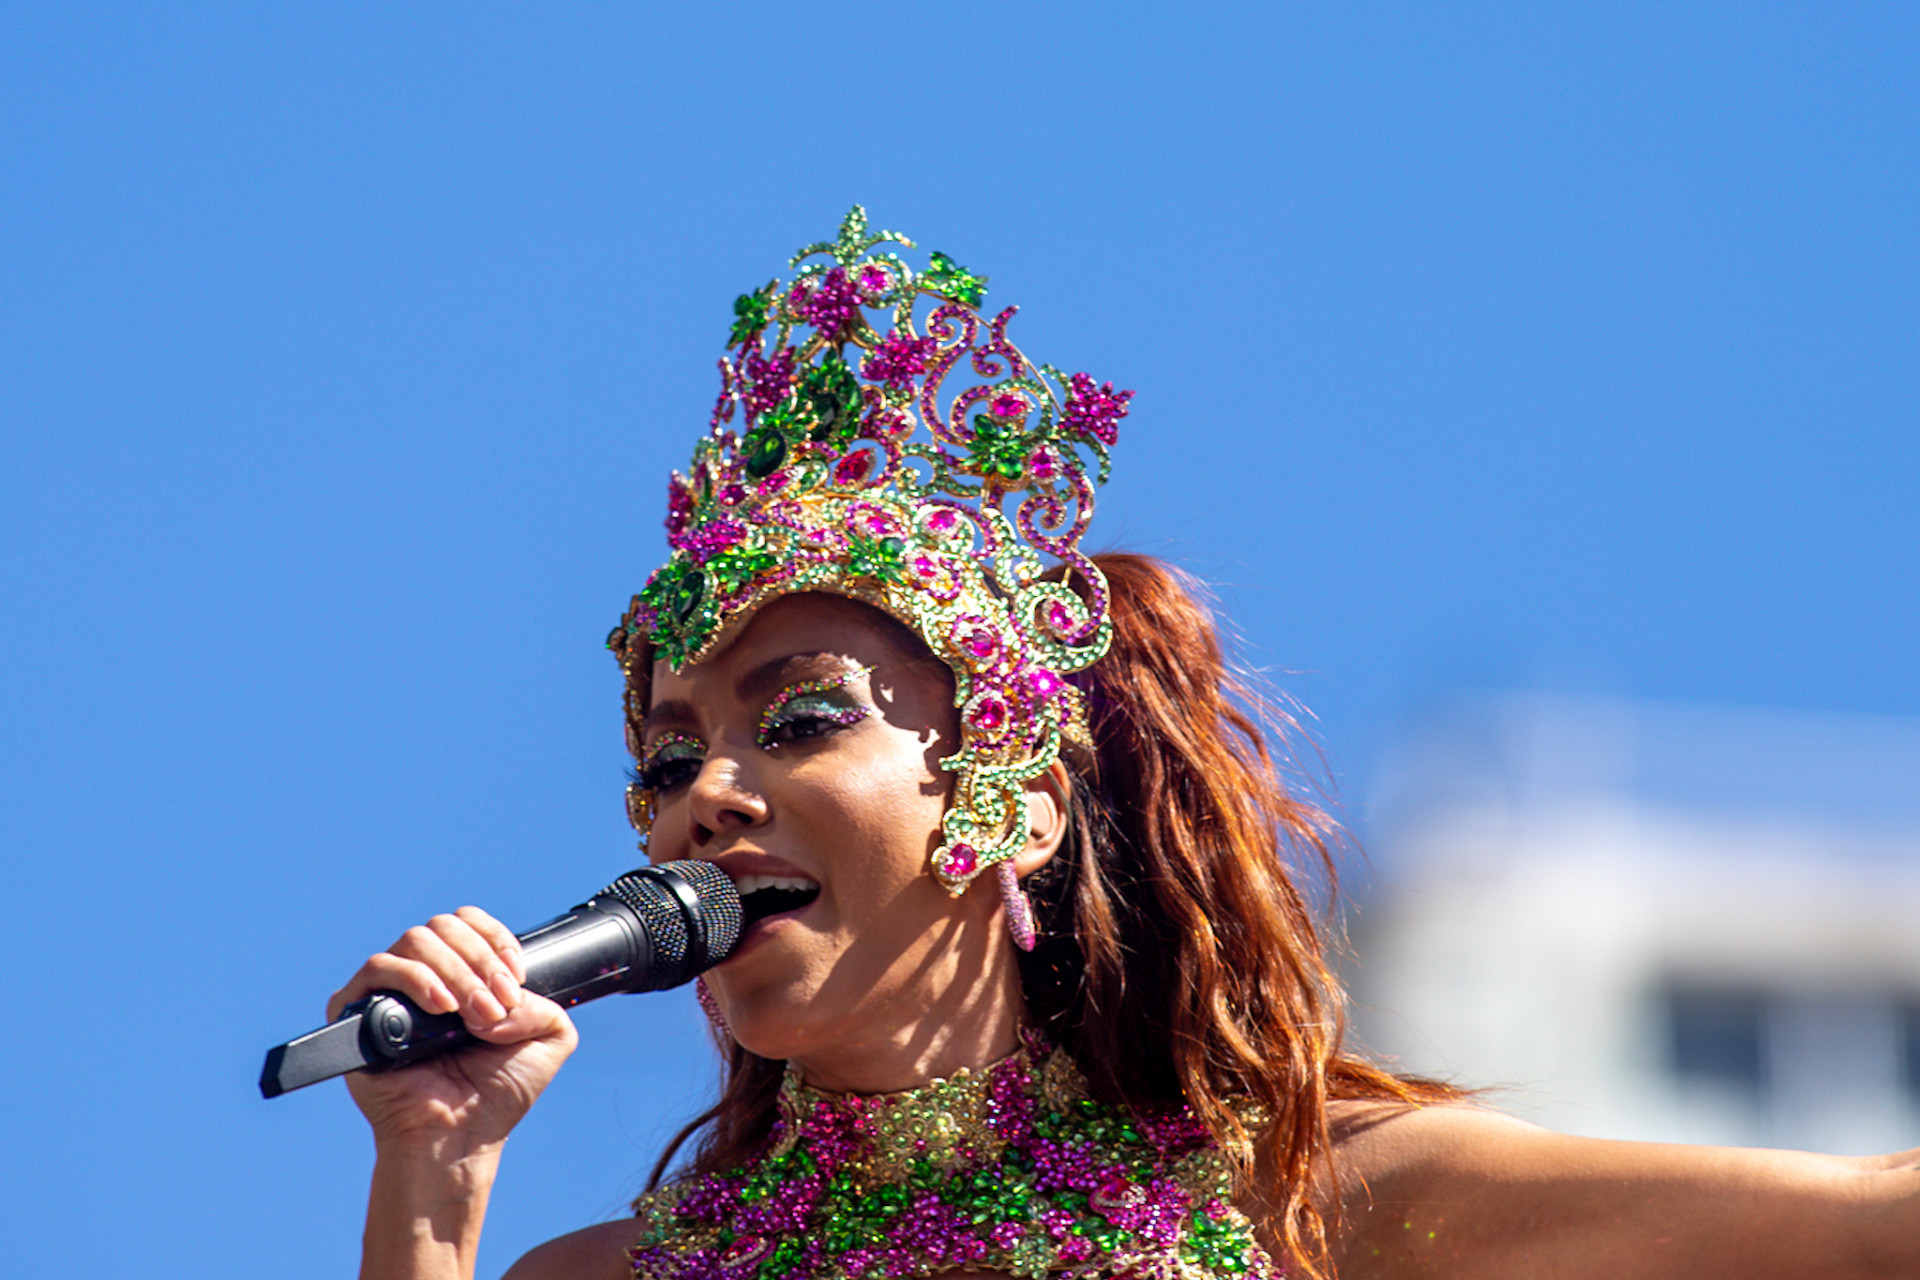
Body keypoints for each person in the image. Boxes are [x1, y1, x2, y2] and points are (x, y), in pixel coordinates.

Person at [329, 210, 1920, 1280]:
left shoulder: (1296, 1200)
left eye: (799, 719)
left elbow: (1867, 1227)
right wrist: (432, 1179)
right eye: (668, 765)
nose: (704, 804)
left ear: (1009, 797)